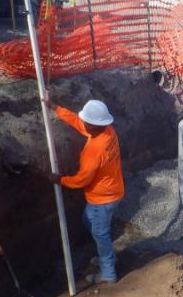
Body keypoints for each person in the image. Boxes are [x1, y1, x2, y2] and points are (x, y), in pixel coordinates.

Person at [47, 97, 125, 284]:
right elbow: (77, 121)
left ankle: (108, 272)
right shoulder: (107, 131)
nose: (83, 123)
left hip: (103, 199)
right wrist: (56, 108)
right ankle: (108, 257)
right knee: (88, 220)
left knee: (100, 234)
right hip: (112, 192)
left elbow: (82, 180)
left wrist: (60, 180)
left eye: (86, 122)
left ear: (94, 125)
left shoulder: (95, 150)